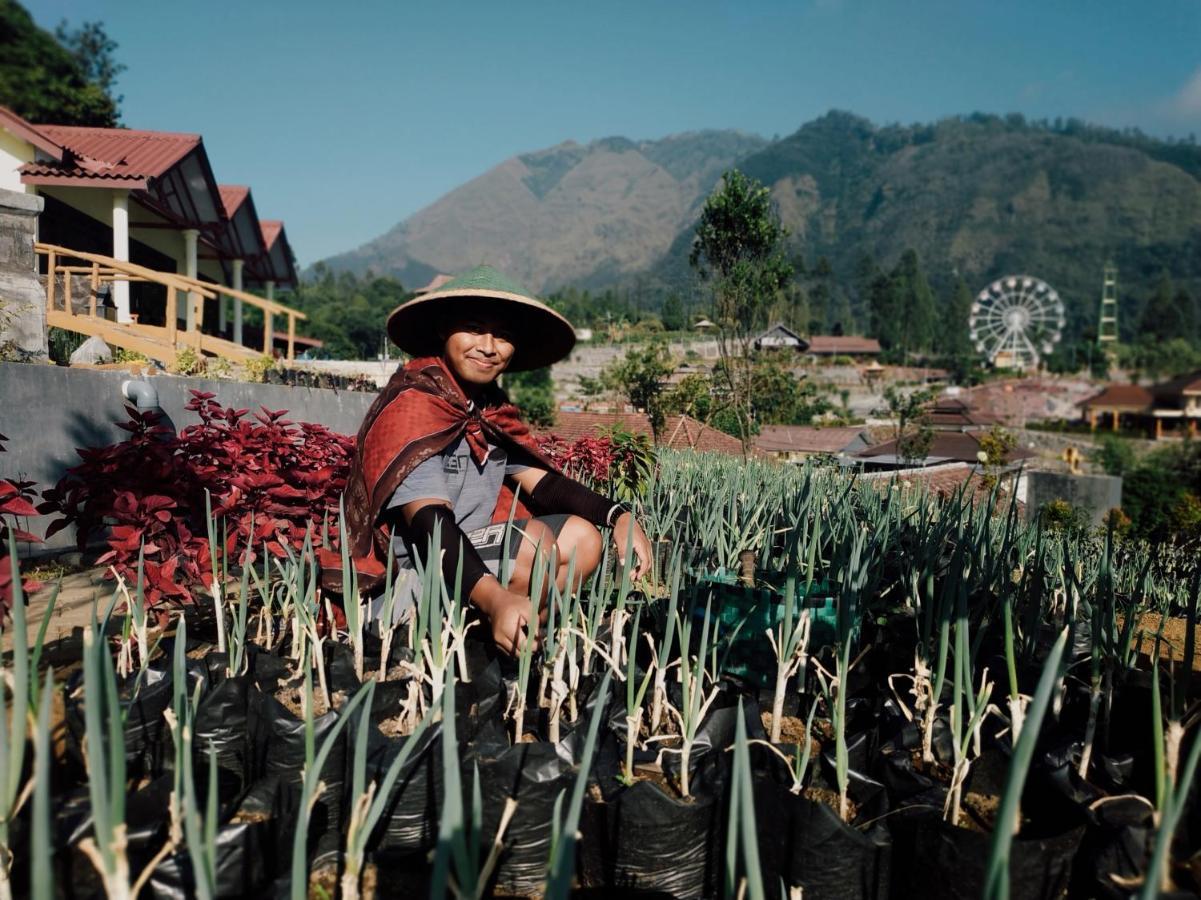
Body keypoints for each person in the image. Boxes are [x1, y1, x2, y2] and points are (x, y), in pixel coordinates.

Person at [329, 266, 653, 655]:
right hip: (408, 582)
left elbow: (545, 484)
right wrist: (495, 598)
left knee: (583, 538)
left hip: (470, 570)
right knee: (532, 543)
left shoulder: (486, 411)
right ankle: (476, 636)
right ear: (442, 330)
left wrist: (618, 515)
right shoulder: (414, 408)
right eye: (474, 328)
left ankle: (505, 638)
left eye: (503, 335)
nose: (488, 345)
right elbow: (430, 523)